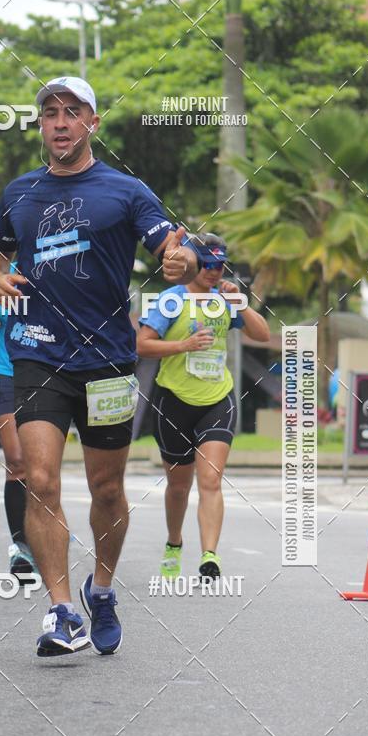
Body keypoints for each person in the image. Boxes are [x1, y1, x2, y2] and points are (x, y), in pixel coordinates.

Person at [0, 76, 200, 658]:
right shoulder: (21, 192)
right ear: (41, 124)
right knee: (40, 479)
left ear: (92, 123)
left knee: (106, 488)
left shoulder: (126, 191)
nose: (60, 122)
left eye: (72, 112)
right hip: (36, 354)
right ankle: (60, 611)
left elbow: (174, 247)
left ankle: (100, 589)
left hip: (107, 361)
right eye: (50, 112)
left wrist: (180, 261)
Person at [137, 233, 270, 581]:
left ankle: (210, 556)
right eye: (208, 264)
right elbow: (142, 345)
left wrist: (241, 303)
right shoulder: (171, 300)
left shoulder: (224, 300)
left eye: (220, 265)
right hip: (174, 401)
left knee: (210, 479)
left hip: (217, 400)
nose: (214, 271)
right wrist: (183, 345)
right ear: (192, 263)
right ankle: (174, 542)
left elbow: (263, 334)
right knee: (179, 486)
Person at [0, 282, 37, 577]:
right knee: (17, 461)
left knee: (42, 467)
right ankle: (21, 548)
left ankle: (44, 528)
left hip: (49, 376)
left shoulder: (60, 265)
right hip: (7, 375)